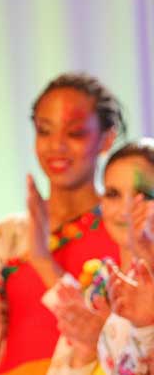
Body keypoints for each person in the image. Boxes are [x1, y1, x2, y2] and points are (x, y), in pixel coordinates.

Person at [0, 73, 124, 374]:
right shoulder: (11, 234)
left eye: (75, 133)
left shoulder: (122, 231)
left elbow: (116, 343)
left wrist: (43, 261)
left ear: (107, 138)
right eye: (44, 131)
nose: (56, 145)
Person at [44, 139, 154, 374]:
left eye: (142, 194)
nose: (125, 208)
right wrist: (87, 351)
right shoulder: (98, 285)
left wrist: (109, 337)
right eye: (113, 194)